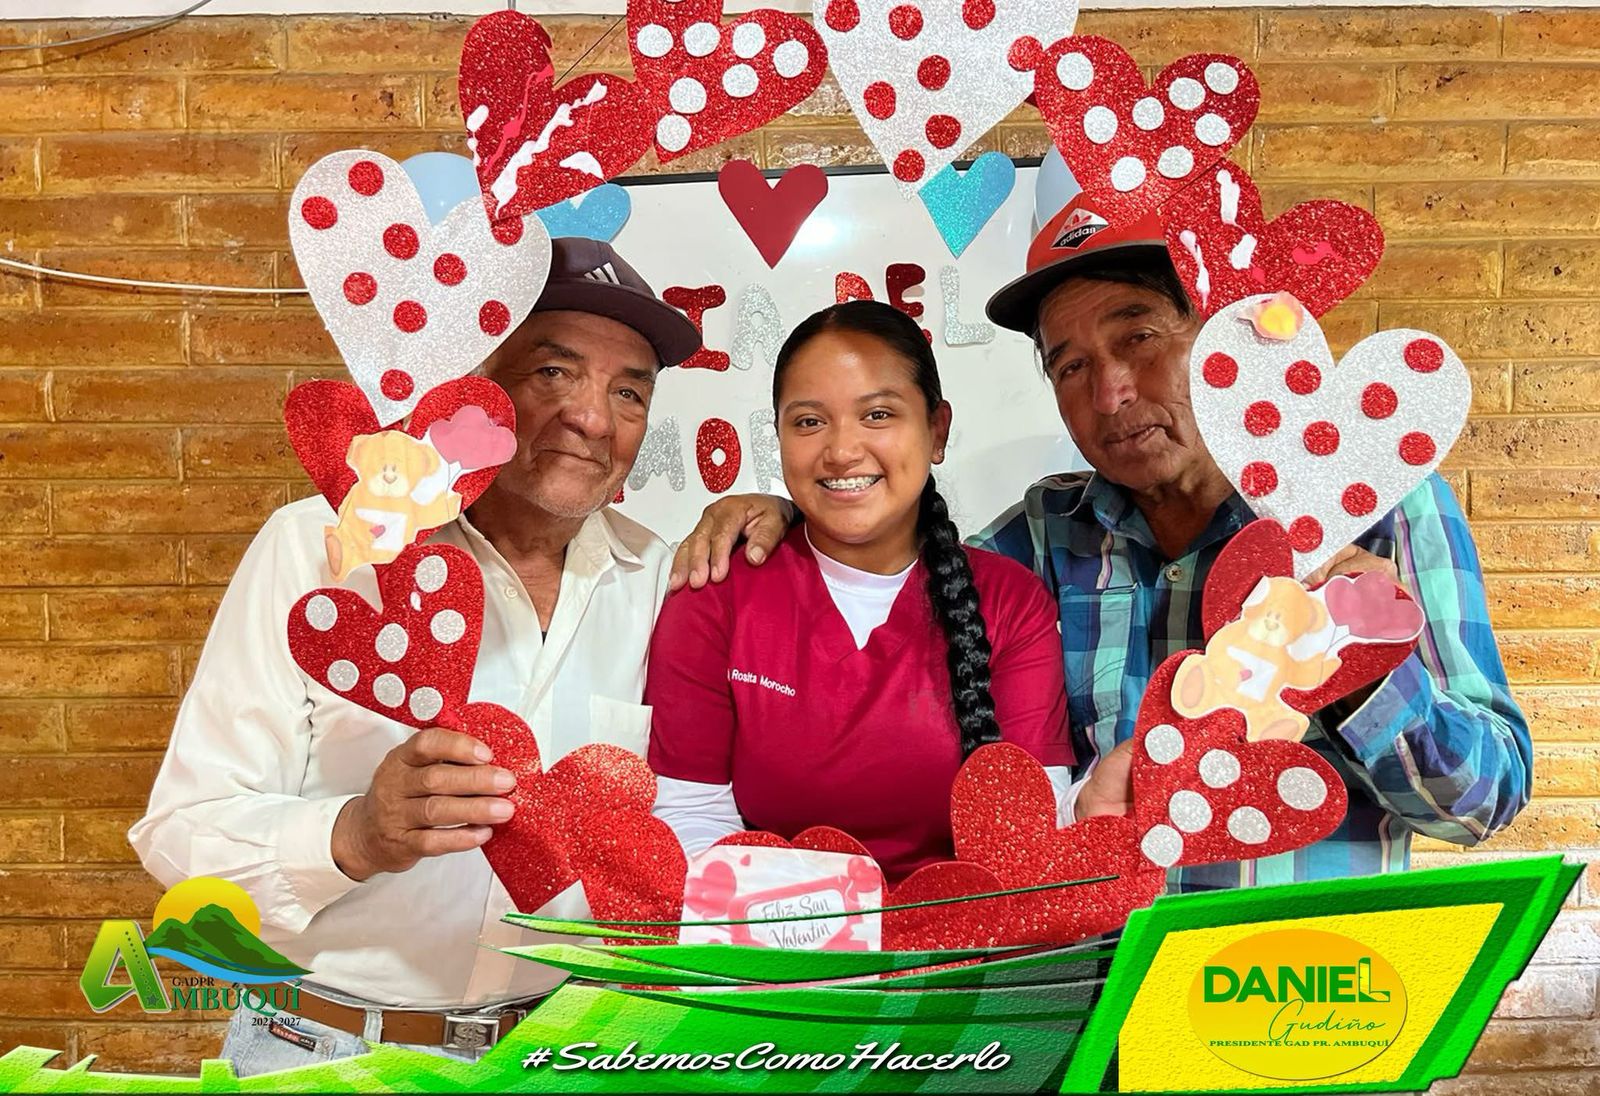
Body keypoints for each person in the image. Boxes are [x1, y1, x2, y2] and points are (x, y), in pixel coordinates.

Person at [671, 195, 1533, 890]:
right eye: (1071, 365)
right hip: (1087, 998)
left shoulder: (1372, 507)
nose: (1112, 392)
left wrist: (1358, 664)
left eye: (1139, 337)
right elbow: (890, 565)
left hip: (1295, 994)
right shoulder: (1040, 540)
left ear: (1224, 343)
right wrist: (793, 517)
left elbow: (1483, 803)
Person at [129, 239, 701, 1072]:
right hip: (325, 1052)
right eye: (552, 372)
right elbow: (181, 833)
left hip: (561, 1055)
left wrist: (776, 514)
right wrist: (357, 834)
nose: (593, 419)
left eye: (629, 392)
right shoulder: (322, 547)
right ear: (474, 388)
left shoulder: (664, 578)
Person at [647, 301, 1076, 881]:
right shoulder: (716, 590)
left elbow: (1028, 827)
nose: (842, 450)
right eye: (808, 422)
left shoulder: (1010, 601)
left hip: (959, 930)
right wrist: (818, 925)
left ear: (937, 429)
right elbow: (691, 816)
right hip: (767, 931)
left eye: (878, 414)